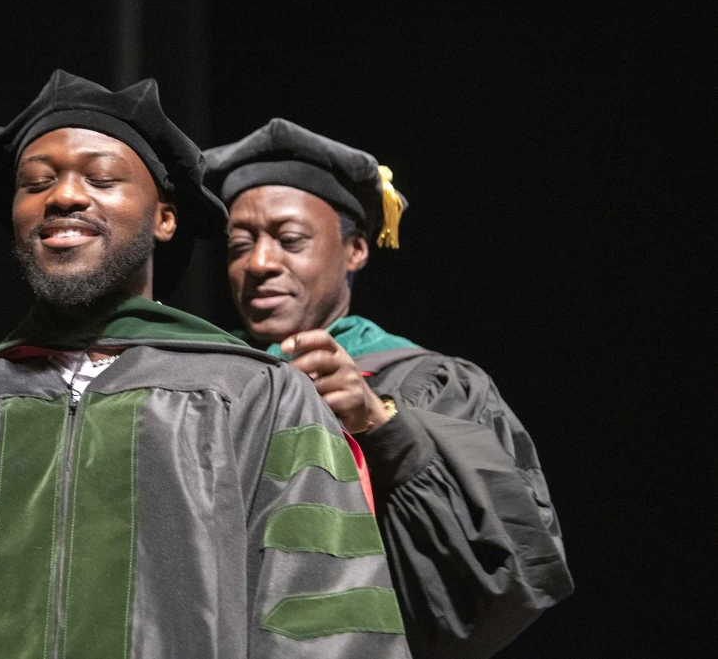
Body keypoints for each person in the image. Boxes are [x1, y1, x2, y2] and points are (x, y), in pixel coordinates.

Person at [0, 74, 412, 658]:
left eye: (100, 178)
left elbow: (332, 632)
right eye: (36, 181)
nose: (64, 195)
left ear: (164, 216)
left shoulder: (259, 399)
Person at [203, 118, 574, 659]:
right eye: (240, 243)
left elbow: (508, 569)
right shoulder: (202, 377)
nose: (259, 263)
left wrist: (379, 424)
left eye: (290, 240)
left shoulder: (428, 383)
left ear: (355, 249)